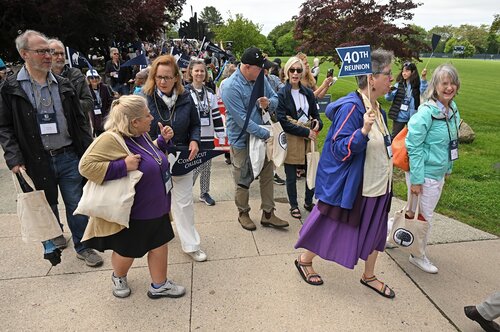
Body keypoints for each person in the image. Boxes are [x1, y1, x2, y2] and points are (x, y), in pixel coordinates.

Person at [294, 49, 396, 299]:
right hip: (355, 187)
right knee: (329, 224)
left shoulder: (377, 108)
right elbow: (339, 148)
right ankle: (305, 260)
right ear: (372, 78)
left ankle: (369, 275)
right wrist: (361, 132)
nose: (392, 79)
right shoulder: (353, 107)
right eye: (388, 74)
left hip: (379, 184)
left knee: (376, 229)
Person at [0, 30, 103, 266]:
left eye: (49, 51)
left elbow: (79, 122)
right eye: (42, 51)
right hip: (35, 158)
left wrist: (89, 151)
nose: (49, 56)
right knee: (46, 204)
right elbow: (4, 126)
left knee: (76, 203)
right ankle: (55, 237)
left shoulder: (64, 85)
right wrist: (13, 157)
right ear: (24, 53)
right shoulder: (10, 88)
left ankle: (83, 246)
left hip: (68, 155)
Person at [79, 95, 185, 299]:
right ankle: (118, 277)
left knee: (159, 244)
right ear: (134, 121)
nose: (152, 118)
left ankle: (159, 285)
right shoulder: (111, 138)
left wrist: (162, 141)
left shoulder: (141, 133)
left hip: (158, 205)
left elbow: (148, 156)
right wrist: (121, 166)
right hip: (136, 211)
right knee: (128, 250)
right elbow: (85, 166)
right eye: (147, 115)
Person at [144, 55, 207, 262]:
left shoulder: (186, 97)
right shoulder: (145, 98)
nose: (163, 81)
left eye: (167, 77)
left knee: (184, 202)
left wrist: (195, 140)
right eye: (159, 77)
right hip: (154, 158)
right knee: (154, 202)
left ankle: (191, 244)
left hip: (181, 156)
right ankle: (152, 239)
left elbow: (195, 124)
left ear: (176, 78)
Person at [221, 46, 289, 231]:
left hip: (262, 136)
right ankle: (243, 213)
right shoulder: (229, 87)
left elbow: (275, 98)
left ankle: (268, 213)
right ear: (247, 67)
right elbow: (242, 120)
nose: (264, 71)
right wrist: (268, 135)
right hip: (242, 139)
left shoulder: (260, 77)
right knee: (243, 178)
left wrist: (270, 103)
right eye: (260, 67)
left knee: (267, 174)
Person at [404, 63, 461, 274]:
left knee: (412, 211)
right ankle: (417, 255)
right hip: (424, 174)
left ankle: (390, 234)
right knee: (424, 217)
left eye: (452, 82)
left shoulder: (452, 109)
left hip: (438, 172)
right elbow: (413, 145)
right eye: (444, 83)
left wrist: (449, 166)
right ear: (435, 86)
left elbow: (451, 141)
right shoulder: (426, 112)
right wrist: (417, 180)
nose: (449, 87)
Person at [277, 56, 323, 219]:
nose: (295, 73)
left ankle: (308, 201)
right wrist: (305, 132)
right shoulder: (282, 94)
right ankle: (293, 205)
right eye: (292, 70)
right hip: (292, 138)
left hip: (308, 139)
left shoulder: (308, 93)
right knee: (290, 175)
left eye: (298, 70)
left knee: (311, 168)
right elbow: (282, 120)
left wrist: (318, 124)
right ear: (287, 72)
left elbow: (316, 114)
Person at [185, 58, 225, 206]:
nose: (199, 73)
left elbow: (215, 114)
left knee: (207, 164)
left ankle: (204, 192)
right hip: (192, 136)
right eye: (196, 70)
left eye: (202, 71)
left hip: (208, 133)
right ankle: (186, 190)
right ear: (191, 72)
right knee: (193, 164)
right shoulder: (185, 92)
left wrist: (220, 134)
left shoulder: (209, 92)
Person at [48, 38, 94, 124]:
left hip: (78, 127)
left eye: (62, 54)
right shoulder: (42, 78)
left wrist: (69, 104)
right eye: (56, 54)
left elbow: (89, 103)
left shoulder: (76, 74)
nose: (60, 57)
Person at [385, 61, 428, 138]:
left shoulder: (417, 85)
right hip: (399, 117)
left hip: (413, 117)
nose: (404, 73)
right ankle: (393, 150)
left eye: (407, 71)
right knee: (396, 137)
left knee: (412, 138)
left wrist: (423, 78)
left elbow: (424, 90)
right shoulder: (398, 85)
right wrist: (389, 92)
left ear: (413, 72)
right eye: (403, 71)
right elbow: (388, 98)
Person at [86, 69, 114, 137]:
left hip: (106, 116)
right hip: (95, 119)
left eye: (96, 77)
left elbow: (111, 99)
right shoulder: (87, 90)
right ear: (88, 79)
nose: (94, 79)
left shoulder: (105, 87)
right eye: (91, 78)